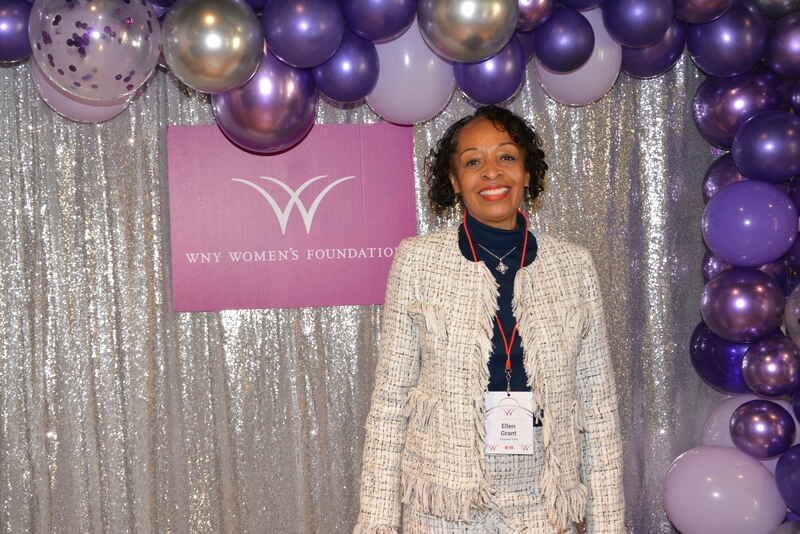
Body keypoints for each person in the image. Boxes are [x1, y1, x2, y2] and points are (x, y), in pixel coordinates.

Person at [353, 106, 625, 533]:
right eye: (473, 162)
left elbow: (598, 407)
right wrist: (377, 525)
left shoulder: (574, 266)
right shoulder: (417, 262)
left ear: (527, 173)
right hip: (445, 502)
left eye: (506, 157)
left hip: (544, 500)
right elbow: (391, 402)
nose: (491, 172)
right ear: (454, 181)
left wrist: (608, 525)